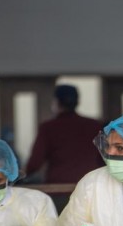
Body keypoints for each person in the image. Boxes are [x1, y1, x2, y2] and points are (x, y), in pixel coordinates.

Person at [25, 84, 104, 212]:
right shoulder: (94, 125)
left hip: (58, 190)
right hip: (90, 189)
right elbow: (103, 158)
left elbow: (35, 162)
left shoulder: (49, 128)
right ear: (78, 102)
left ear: (56, 102)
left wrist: (19, 176)